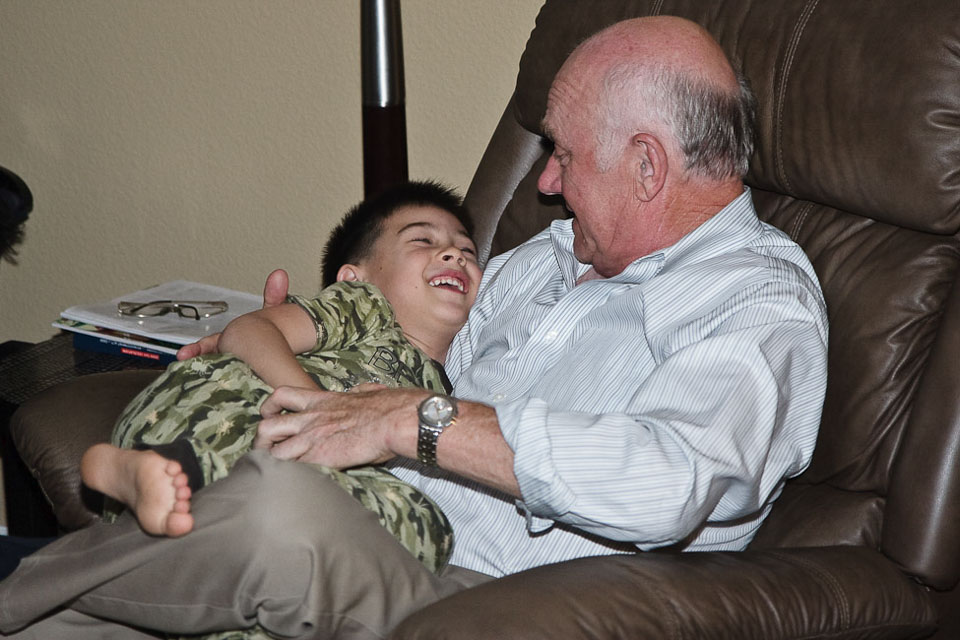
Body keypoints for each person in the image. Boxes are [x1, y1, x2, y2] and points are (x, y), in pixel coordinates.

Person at [0, 16, 828, 640]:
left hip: (491, 601)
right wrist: (294, 336)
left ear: (647, 166)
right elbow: (409, 347)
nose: (545, 181)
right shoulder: (546, 258)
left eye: (566, 155)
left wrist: (413, 422)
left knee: (279, 514)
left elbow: (671, 480)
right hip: (372, 522)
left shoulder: (756, 301)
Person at [81, 179, 481, 572]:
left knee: (427, 524)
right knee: (259, 453)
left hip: (284, 479)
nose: (454, 254)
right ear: (353, 277)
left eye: (468, 250)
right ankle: (156, 469)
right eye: (422, 240)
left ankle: (172, 499)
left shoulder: (455, 384)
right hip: (227, 408)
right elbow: (248, 330)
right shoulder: (367, 305)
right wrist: (321, 410)